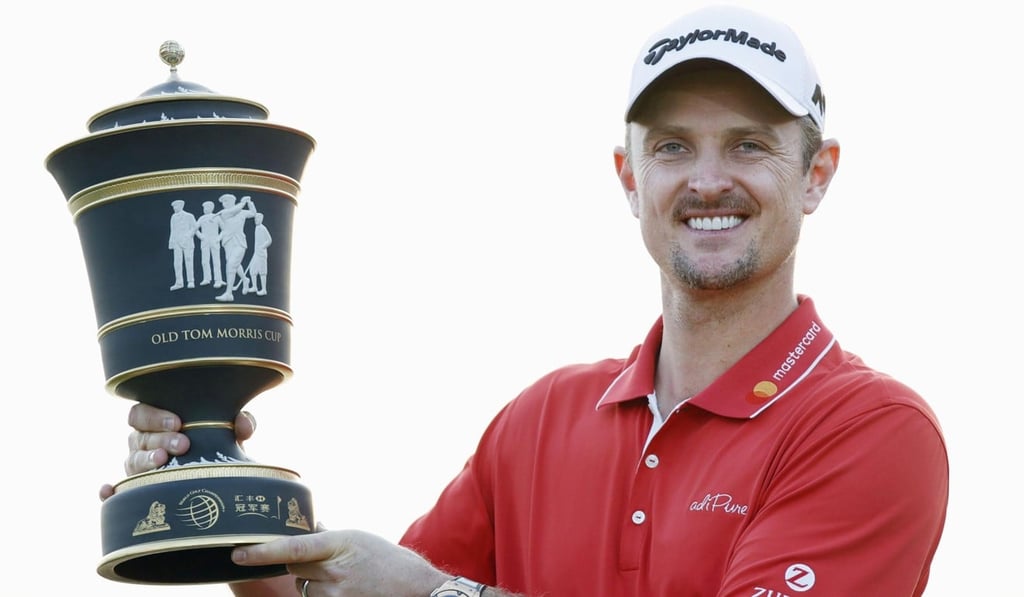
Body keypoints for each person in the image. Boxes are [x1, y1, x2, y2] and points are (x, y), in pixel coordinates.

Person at [105, 5, 948, 596]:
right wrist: (212, 495)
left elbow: (423, 591)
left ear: (817, 174)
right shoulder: (542, 418)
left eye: (750, 144)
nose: (708, 180)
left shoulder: (871, 429)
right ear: (630, 178)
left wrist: (440, 595)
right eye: (672, 147)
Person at [167, 199, 197, 291]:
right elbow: (172, 230)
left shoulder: (189, 216)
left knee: (188, 261)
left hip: (187, 242)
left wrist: (188, 236)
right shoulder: (173, 217)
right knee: (177, 263)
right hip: (177, 242)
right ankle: (179, 282)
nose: (174, 208)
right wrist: (171, 242)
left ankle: (191, 281)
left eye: (175, 206)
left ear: (181, 206)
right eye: (173, 207)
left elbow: (194, 228)